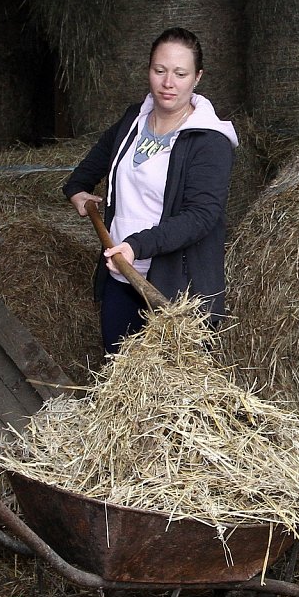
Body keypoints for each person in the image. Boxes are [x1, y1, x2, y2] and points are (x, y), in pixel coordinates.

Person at [63, 27, 238, 353]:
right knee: (117, 375)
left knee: (174, 393)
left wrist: (135, 246)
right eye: (159, 70)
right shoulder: (134, 119)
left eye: (180, 73)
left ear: (197, 77)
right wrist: (77, 189)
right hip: (121, 277)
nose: (168, 82)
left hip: (174, 293)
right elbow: (96, 161)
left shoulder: (209, 141)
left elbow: (201, 216)